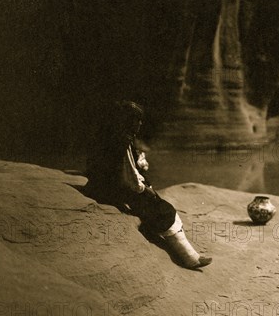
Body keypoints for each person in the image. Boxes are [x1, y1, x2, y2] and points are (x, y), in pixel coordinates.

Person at [85, 100, 212, 269]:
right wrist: (145, 189)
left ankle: (189, 254)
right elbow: (129, 178)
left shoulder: (112, 135)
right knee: (163, 209)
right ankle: (190, 258)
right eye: (136, 119)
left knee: (155, 204)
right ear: (127, 120)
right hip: (113, 190)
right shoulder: (122, 140)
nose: (139, 124)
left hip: (101, 186)